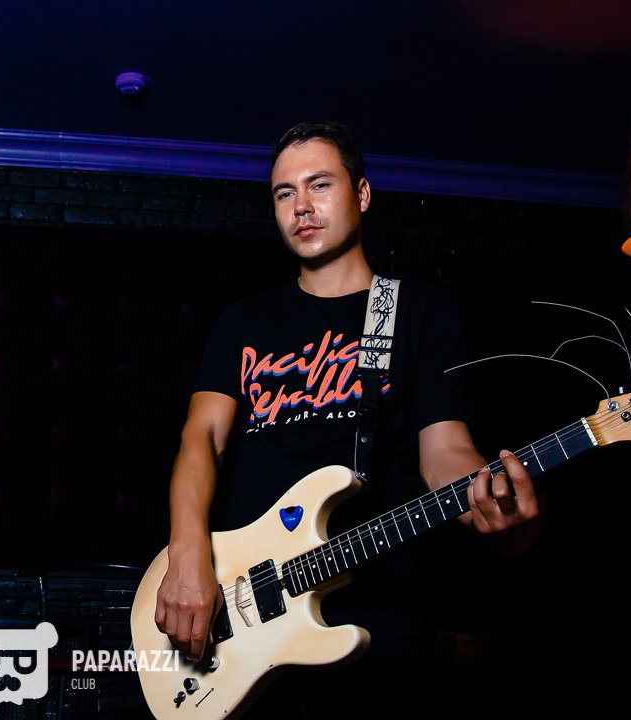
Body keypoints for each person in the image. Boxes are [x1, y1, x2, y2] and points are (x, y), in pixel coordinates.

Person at [152, 120, 541, 717]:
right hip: (243, 607)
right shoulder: (244, 322)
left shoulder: (417, 313)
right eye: (285, 193)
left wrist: (493, 507)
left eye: (320, 185)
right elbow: (200, 439)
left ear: (361, 194)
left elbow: (444, 455)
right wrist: (186, 557)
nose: (301, 207)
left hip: (377, 616)